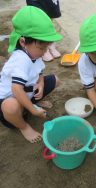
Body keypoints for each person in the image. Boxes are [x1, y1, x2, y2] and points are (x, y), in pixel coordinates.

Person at [0, 6, 62, 143]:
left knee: (55, 80)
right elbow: (16, 89)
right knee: (10, 106)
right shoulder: (20, 59)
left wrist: (41, 83)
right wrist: (33, 111)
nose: (44, 51)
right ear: (23, 42)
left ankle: (34, 103)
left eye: (46, 47)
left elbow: (40, 72)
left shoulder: (34, 53)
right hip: (10, 101)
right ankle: (23, 126)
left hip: (27, 92)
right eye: (42, 48)